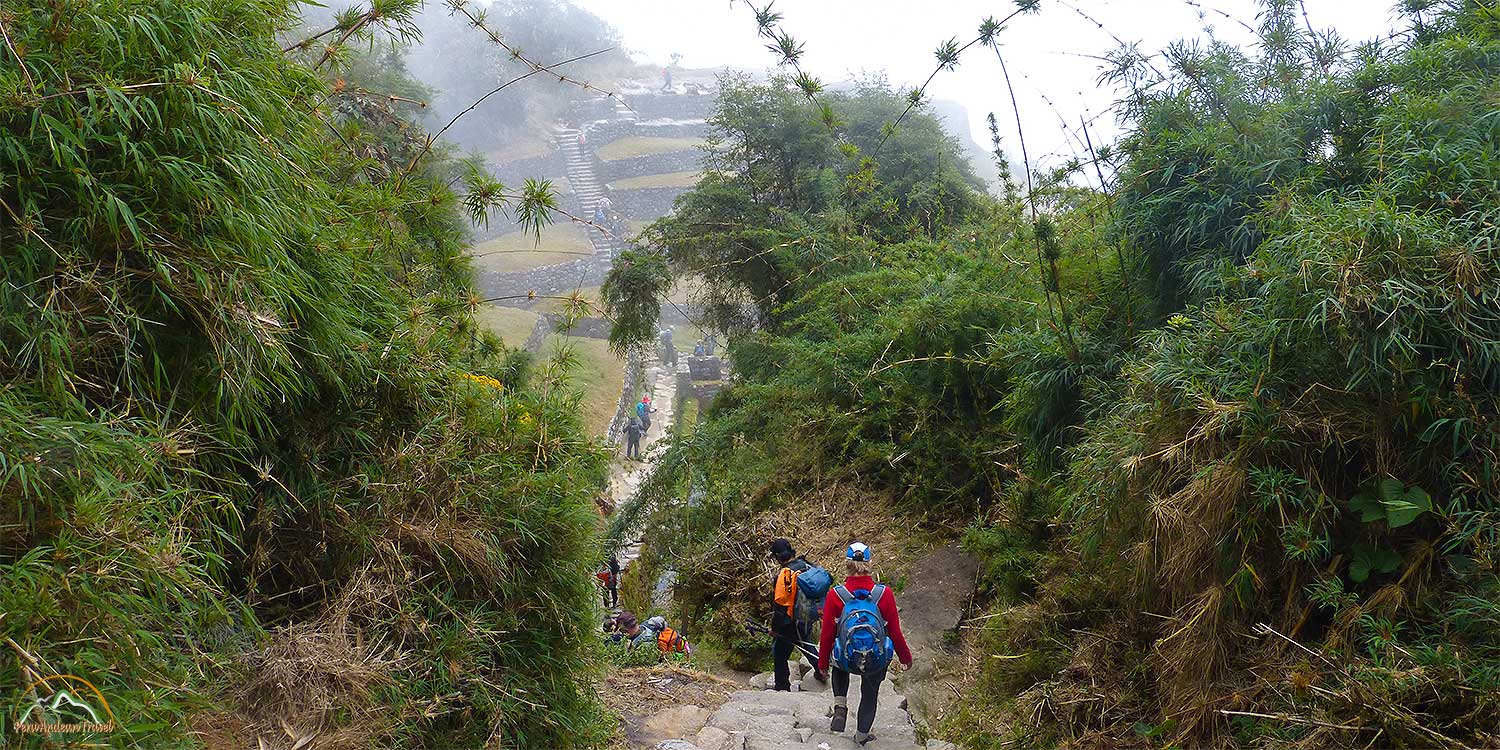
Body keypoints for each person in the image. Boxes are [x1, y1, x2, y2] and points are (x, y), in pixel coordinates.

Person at [817, 542, 912, 746]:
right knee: (870, 692)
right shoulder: (883, 593)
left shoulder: (836, 595)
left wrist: (822, 664)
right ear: (869, 563)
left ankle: (840, 705)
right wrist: (905, 657)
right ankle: (861, 736)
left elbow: (826, 635)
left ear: (847, 564)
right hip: (874, 660)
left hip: (847, 661)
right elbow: (894, 631)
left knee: (838, 653)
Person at [769, 539, 828, 691]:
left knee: (780, 652)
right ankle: (821, 669)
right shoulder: (807, 565)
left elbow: (781, 606)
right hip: (809, 616)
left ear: (777, 556)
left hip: (791, 620)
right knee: (804, 641)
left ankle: (782, 687)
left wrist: (775, 629)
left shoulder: (785, 574)